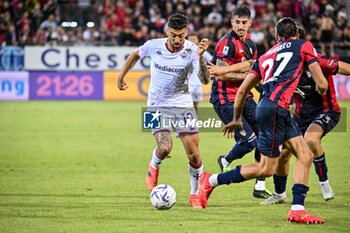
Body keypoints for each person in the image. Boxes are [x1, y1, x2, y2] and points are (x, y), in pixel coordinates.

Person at [199, 17, 328, 224]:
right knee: (265, 168)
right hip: (276, 110)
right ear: (296, 35)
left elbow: (242, 90)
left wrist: (236, 119)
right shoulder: (304, 45)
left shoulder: (266, 55)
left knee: (305, 155)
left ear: (277, 37)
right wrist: (319, 88)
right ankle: (211, 180)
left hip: (273, 109)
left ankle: (297, 209)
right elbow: (321, 84)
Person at [117, 13, 210, 209]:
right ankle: (153, 165)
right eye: (174, 35)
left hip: (183, 104)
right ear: (167, 31)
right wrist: (121, 76)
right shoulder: (153, 45)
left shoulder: (193, 50)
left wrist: (200, 58)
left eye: (181, 36)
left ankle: (195, 193)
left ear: (187, 33)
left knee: (194, 154)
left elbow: (205, 80)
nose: (177, 40)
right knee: (165, 147)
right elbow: (135, 55)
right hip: (155, 104)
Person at [261, 28, 350, 205]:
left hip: (327, 111)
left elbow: (346, 68)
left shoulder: (318, 60)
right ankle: (279, 194)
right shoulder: (284, 66)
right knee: (283, 154)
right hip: (300, 117)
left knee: (311, 139)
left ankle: (324, 183)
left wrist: (322, 84)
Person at [208, 6, 271, 199]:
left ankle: (259, 185)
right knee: (250, 141)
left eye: (244, 22)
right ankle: (226, 161)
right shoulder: (226, 44)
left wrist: (266, 91)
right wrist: (246, 76)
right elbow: (221, 76)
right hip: (225, 99)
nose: (241, 25)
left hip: (246, 98)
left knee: (266, 138)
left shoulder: (252, 45)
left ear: (250, 23)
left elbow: (255, 77)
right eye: (237, 22)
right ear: (231, 22)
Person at [187, 34, 213, 113]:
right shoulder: (183, 51)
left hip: (198, 82)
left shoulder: (202, 51)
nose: (192, 41)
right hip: (187, 83)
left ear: (198, 41)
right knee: (187, 104)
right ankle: (185, 121)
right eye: (190, 39)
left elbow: (212, 60)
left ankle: (194, 121)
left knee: (195, 105)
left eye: (194, 39)